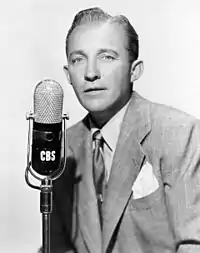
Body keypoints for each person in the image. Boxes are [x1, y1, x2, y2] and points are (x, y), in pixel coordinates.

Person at [46, 7, 200, 253]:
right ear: (67, 74)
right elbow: (57, 246)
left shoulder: (180, 134)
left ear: (134, 70)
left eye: (107, 57)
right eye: (78, 59)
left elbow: (194, 244)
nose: (91, 73)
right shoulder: (63, 149)